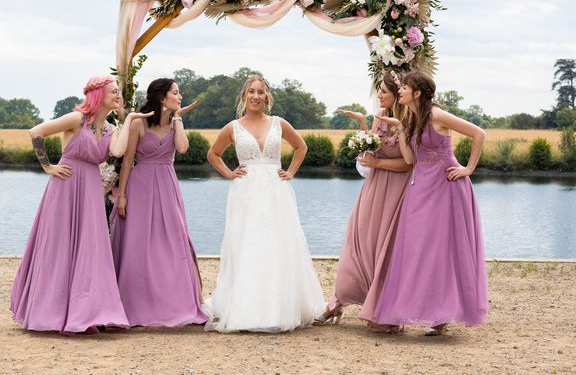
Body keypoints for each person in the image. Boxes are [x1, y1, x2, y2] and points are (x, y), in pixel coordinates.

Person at [10, 75, 151, 334]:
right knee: (58, 247)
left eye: (118, 91)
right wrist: (48, 166)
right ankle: (49, 312)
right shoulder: (77, 119)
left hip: (89, 191)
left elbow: (118, 152)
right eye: (113, 91)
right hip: (65, 187)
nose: (117, 95)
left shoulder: (111, 129)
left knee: (90, 250)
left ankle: (86, 312)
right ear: (98, 94)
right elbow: (36, 132)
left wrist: (129, 119)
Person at [203, 75, 325, 332]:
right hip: (246, 191)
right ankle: (246, 307)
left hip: (275, 191)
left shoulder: (279, 123)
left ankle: (279, 307)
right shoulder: (233, 127)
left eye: (260, 92)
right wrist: (228, 173)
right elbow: (213, 154)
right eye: (251, 92)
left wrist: (290, 172)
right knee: (248, 243)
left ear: (267, 96)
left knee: (277, 243)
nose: (256, 96)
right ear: (244, 96)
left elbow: (301, 147)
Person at [374, 71, 488, 335]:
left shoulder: (437, 115)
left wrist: (468, 168)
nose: (399, 90)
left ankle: (440, 319)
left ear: (418, 92)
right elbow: (410, 159)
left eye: (405, 87)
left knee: (443, 249)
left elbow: (478, 133)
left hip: (446, 186)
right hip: (421, 186)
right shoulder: (412, 118)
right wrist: (401, 130)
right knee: (417, 247)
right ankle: (428, 311)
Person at [110, 78, 207, 327]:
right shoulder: (139, 124)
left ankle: (175, 302)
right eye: (176, 92)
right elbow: (129, 159)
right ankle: (136, 303)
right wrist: (121, 195)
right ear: (163, 97)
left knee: (173, 242)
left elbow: (183, 148)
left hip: (167, 185)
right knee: (139, 244)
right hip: (140, 186)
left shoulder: (176, 125)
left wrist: (178, 118)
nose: (181, 96)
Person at [318, 72, 412, 329]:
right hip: (373, 189)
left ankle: (385, 310)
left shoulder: (410, 122)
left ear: (396, 94)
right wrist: (362, 126)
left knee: (387, 249)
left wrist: (378, 162)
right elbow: (371, 150)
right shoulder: (379, 119)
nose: (379, 95)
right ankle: (337, 302)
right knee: (360, 244)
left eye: (383, 91)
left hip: (398, 191)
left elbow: (409, 163)